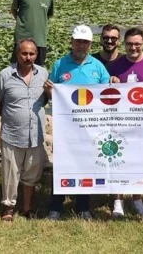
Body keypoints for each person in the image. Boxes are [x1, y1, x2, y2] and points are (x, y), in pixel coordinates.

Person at [44, 25, 110, 221]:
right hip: (66, 127)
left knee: (86, 165)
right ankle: (56, 206)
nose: (81, 45)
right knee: (62, 164)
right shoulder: (60, 64)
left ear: (90, 44)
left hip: (90, 126)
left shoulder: (97, 66)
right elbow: (50, 93)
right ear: (72, 42)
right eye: (78, 41)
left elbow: (107, 92)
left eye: (85, 42)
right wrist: (48, 90)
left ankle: (83, 206)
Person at [108, 27, 143, 218]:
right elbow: (106, 93)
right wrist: (111, 81)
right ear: (124, 44)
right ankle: (118, 200)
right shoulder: (116, 64)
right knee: (118, 159)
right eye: (130, 44)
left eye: (137, 44)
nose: (133, 47)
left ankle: (137, 198)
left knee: (139, 160)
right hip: (120, 120)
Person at [0, 38, 50, 222]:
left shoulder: (43, 73)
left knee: (31, 174)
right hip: (12, 133)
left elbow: (45, 100)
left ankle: (27, 208)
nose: (28, 57)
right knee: (10, 173)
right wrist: (12, 117)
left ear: (37, 54)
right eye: (24, 53)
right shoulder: (5, 75)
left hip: (36, 134)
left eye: (31, 54)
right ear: (17, 54)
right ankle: (8, 208)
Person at [10, 0, 55, 66]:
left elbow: (48, 15)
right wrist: (23, 22)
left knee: (38, 71)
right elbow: (14, 10)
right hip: (22, 37)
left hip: (40, 39)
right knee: (15, 69)